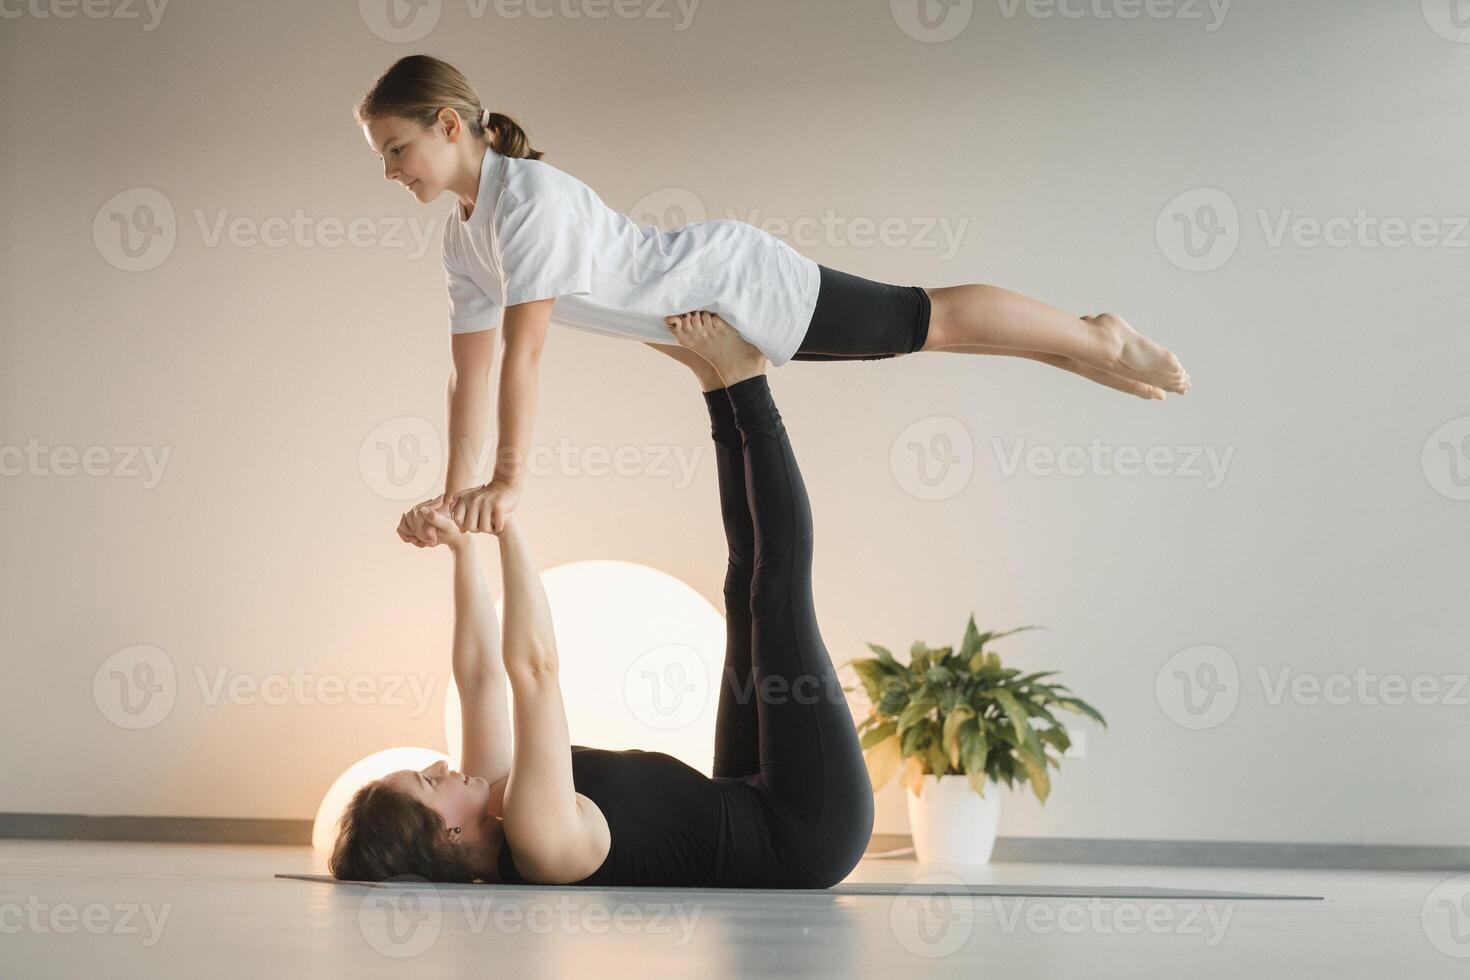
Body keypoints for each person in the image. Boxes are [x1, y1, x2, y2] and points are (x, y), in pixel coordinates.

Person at [355, 54, 1191, 545]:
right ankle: (1079, 349)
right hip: (710, 318)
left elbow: (524, 353)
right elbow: (468, 375)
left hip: (733, 282)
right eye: (382, 160)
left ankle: (1097, 337)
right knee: (921, 335)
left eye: (398, 149)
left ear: (449, 125)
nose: (392, 173)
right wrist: (450, 491)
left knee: (924, 318)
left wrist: (504, 480)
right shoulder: (464, 237)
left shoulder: (526, 203)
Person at [329, 312, 873, 888]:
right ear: (449, 837)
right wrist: (508, 528)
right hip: (804, 828)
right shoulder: (540, 840)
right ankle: (746, 383)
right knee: (776, 591)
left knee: (745, 590)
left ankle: (719, 387)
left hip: (742, 795)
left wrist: (462, 549)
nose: (439, 765)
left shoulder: (491, 797)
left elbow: (481, 677)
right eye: (428, 782)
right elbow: (535, 671)